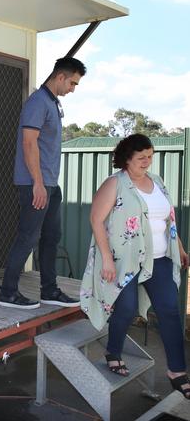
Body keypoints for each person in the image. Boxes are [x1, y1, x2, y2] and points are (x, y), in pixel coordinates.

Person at [80, 134, 190, 397]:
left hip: (160, 258)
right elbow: (96, 220)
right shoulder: (114, 184)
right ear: (127, 158)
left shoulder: (158, 182)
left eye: (150, 156)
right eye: (141, 157)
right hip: (125, 260)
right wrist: (106, 259)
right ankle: (113, 351)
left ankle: (177, 370)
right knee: (127, 308)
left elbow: (168, 219)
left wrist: (181, 248)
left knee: (169, 311)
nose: (147, 162)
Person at [0, 57, 86, 309]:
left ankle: (50, 290)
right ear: (60, 76)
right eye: (72, 83)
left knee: (51, 237)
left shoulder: (52, 103)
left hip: (49, 183)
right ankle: (7, 292)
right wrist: (37, 182)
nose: (72, 88)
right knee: (28, 237)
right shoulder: (38, 102)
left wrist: (47, 183)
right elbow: (29, 143)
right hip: (35, 184)